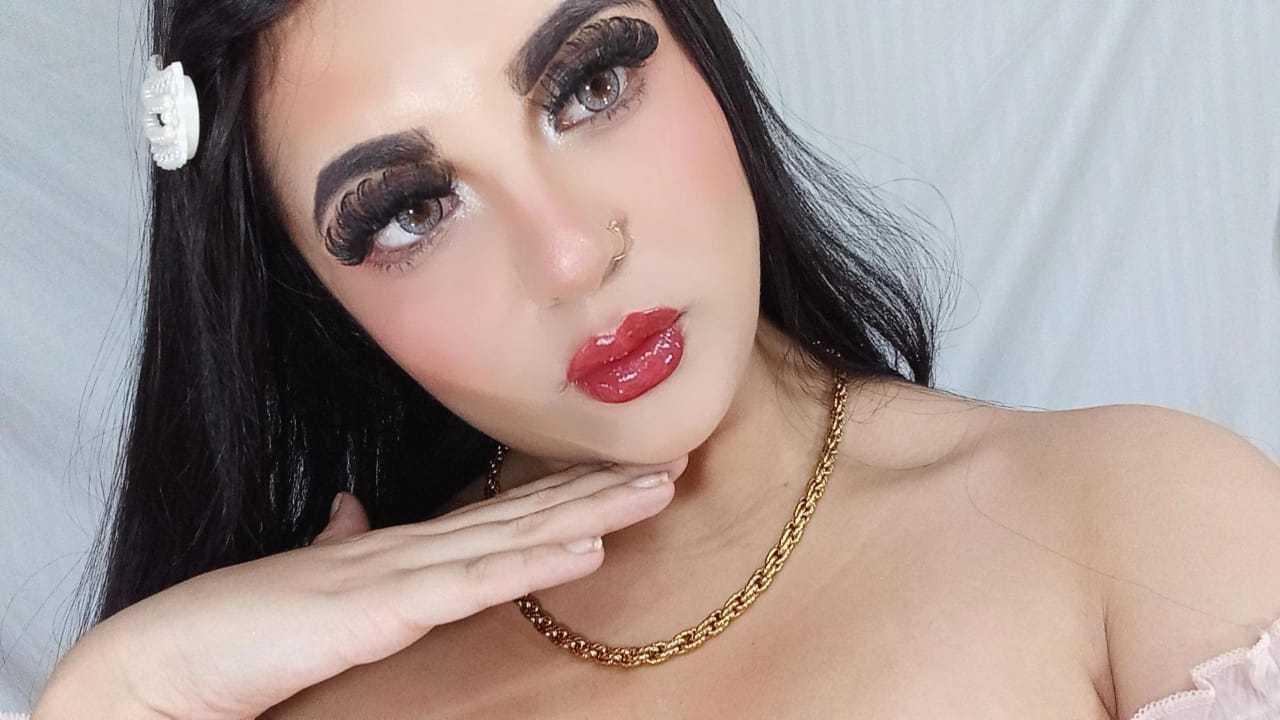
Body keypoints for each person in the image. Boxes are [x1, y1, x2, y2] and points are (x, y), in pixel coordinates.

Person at [21, 0, 1279, 718]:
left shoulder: (1131, 524)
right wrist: (122, 694)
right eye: (411, 209)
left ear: (691, 44)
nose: (571, 256)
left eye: (586, 87)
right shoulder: (314, 698)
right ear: (315, 301)